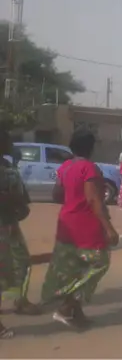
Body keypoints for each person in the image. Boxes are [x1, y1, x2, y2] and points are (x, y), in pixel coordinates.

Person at [43, 129, 119, 328]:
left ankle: (76, 313)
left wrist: (72, 198)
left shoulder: (65, 167)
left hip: (66, 224)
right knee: (99, 263)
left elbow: (57, 195)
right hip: (86, 226)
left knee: (75, 269)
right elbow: (94, 199)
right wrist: (109, 228)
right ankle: (66, 308)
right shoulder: (89, 168)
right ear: (91, 148)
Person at [0, 127, 39, 332]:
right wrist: (16, 201)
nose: (11, 144)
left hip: (10, 224)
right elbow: (11, 199)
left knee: (22, 261)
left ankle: (20, 300)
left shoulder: (7, 166)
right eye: (7, 139)